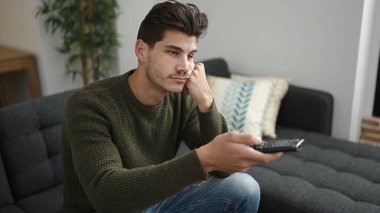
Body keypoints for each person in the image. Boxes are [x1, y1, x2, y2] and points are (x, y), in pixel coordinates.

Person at [61, 1, 282, 212]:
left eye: (190, 55)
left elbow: (223, 171)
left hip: (154, 201)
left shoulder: (181, 97)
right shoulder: (89, 105)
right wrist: (202, 159)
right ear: (141, 51)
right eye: (173, 52)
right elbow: (106, 194)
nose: (185, 67)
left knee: (244, 187)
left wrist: (206, 102)